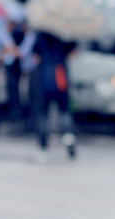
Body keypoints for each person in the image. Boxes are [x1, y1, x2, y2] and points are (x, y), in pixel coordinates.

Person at [29, 30, 78, 158]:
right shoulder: (65, 34)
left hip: (44, 78)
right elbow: (72, 54)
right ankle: (68, 136)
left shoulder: (40, 34)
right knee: (64, 111)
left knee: (43, 113)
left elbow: (35, 57)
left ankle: (43, 146)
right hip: (60, 77)